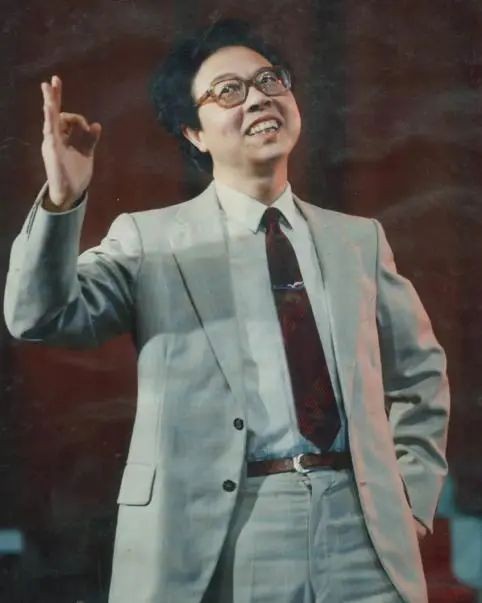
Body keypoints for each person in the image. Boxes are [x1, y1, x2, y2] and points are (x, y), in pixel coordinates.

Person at [4, 19, 449, 603]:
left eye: (269, 80)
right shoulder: (150, 240)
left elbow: (419, 375)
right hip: (228, 531)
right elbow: (38, 316)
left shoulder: (358, 239)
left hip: (362, 532)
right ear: (194, 133)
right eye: (229, 91)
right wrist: (63, 201)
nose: (259, 98)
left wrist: (408, 501)